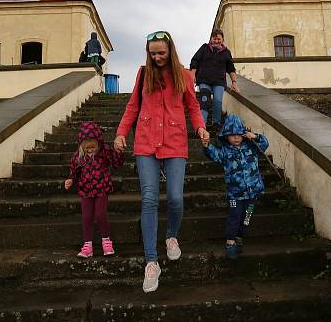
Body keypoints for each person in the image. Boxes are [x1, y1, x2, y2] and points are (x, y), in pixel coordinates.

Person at [114, 30, 210, 293]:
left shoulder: (184, 75)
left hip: (175, 141)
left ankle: (170, 236)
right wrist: (122, 133)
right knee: (149, 199)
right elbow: (133, 106)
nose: (156, 57)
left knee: (176, 198)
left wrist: (200, 127)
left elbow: (192, 106)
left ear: (170, 51)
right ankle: (151, 261)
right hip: (145, 142)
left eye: (161, 53)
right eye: (152, 53)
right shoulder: (143, 74)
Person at [202, 114, 269, 260]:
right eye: (232, 135)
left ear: (243, 134)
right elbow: (215, 154)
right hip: (235, 194)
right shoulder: (225, 151)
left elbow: (265, 143)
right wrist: (207, 145)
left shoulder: (252, 146)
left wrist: (255, 136)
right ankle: (230, 241)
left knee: (246, 217)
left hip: (252, 193)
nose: (236, 138)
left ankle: (240, 237)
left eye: (239, 134)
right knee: (235, 215)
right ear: (226, 136)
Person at [64, 121, 124, 258]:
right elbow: (74, 171)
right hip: (85, 190)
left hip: (101, 188)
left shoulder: (105, 152)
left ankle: (106, 241)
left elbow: (117, 163)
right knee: (86, 216)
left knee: (100, 214)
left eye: (93, 147)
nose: (90, 150)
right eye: (87, 149)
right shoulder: (78, 157)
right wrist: (70, 179)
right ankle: (87, 245)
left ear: (98, 143)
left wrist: (118, 152)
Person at [190, 28, 239, 128]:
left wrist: (234, 82)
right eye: (214, 39)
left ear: (222, 40)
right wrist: (192, 75)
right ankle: (202, 124)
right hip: (204, 80)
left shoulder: (226, 52)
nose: (216, 41)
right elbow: (195, 60)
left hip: (219, 81)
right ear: (211, 39)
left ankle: (216, 123)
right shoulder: (204, 48)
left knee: (217, 101)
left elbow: (230, 68)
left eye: (218, 39)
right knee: (204, 100)